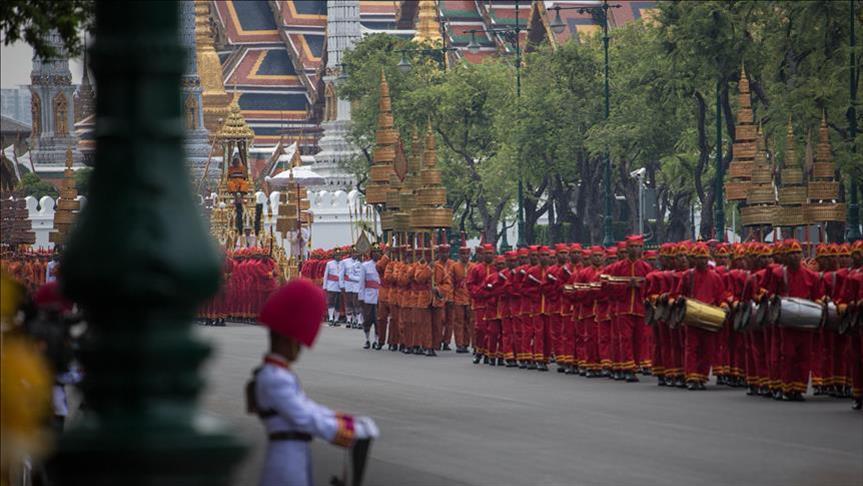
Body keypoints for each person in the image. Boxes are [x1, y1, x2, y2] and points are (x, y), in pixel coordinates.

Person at [253, 279, 379, 486]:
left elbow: (307, 407)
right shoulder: (275, 378)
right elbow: (305, 417)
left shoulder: (278, 374)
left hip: (293, 451)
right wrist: (346, 430)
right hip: (286, 459)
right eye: (297, 344)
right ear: (286, 340)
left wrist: (344, 419)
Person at [358, 245, 382, 349]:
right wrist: (361, 297)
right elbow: (361, 282)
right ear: (371, 254)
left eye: (378, 252)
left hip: (380, 296)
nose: (376, 254)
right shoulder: (365, 265)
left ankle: (376, 340)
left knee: (378, 320)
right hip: (368, 296)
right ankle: (367, 339)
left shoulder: (383, 265)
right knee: (367, 319)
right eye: (374, 252)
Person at [322, 248, 343, 326]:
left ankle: (336, 319)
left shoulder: (343, 263)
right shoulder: (329, 264)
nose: (338, 256)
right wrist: (325, 286)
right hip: (331, 285)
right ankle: (331, 317)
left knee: (338, 303)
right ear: (334, 256)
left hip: (340, 285)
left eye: (339, 255)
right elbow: (326, 275)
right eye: (337, 255)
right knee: (331, 302)